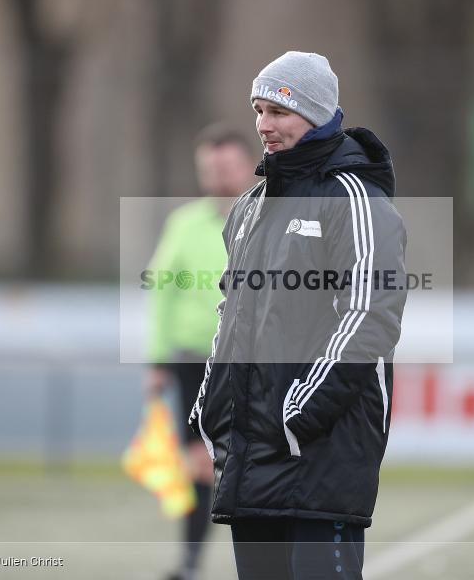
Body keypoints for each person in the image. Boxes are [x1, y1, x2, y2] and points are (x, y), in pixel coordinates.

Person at [187, 51, 407, 580]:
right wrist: (211, 404)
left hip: (320, 455)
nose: (263, 125)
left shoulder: (356, 198)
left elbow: (370, 316)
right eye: (259, 110)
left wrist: (297, 416)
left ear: (316, 113)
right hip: (252, 457)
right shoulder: (250, 205)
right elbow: (231, 316)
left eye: (279, 112)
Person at [145, 124, 258, 580]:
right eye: (210, 167)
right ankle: (191, 562)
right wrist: (158, 359)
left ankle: (258, 561)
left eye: (227, 165)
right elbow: (162, 292)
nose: (219, 175)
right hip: (195, 360)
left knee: (253, 462)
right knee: (199, 465)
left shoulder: (273, 217)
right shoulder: (184, 225)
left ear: (249, 166)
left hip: (255, 359)